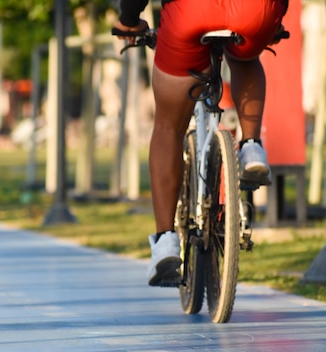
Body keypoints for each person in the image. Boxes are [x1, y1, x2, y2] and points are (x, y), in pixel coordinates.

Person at [114, 0, 288, 287]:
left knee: (168, 127)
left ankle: (165, 241)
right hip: (254, 10)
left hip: (189, 12)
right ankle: (252, 146)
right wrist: (275, 17)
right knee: (246, 56)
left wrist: (130, 20)